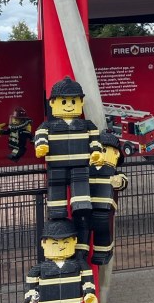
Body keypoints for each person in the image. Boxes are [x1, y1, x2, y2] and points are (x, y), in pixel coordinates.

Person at [34, 77, 104, 219]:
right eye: (64, 101)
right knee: (56, 187)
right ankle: (56, 211)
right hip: (56, 166)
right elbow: (40, 135)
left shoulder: (87, 125)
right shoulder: (47, 126)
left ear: (81, 102)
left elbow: (95, 139)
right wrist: (41, 145)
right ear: (53, 102)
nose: (69, 105)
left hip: (80, 165)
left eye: (73, 101)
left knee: (80, 186)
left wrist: (96, 151)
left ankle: (81, 206)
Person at [74, 129, 127, 266]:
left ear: (115, 154)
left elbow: (123, 181)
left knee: (102, 228)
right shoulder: (87, 170)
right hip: (86, 204)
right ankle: (81, 251)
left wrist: (120, 181)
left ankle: (103, 252)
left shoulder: (113, 172)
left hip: (104, 205)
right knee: (82, 226)